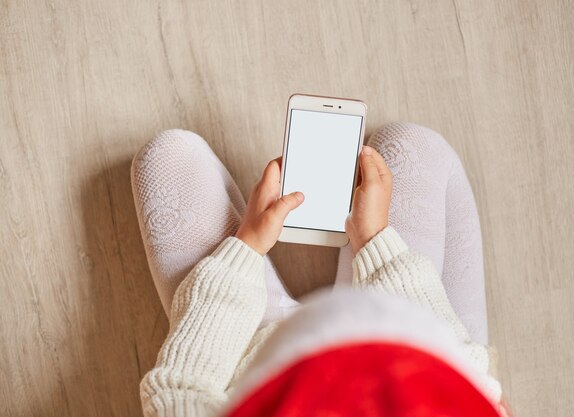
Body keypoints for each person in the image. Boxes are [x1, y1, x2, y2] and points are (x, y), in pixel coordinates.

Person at [131, 123, 510, 416]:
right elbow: (465, 374)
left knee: (166, 157)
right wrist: (376, 241)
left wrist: (245, 248)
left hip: (244, 359)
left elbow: (181, 387)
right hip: (404, 337)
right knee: (410, 143)